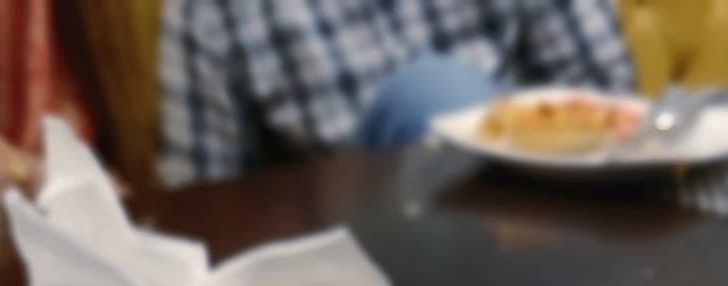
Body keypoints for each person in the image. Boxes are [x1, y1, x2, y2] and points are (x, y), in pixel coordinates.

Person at [158, 0, 635, 187]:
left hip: (548, 218)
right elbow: (200, 207)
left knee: (435, 91)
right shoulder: (207, 9)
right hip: (362, 269)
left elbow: (607, 99)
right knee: (426, 94)